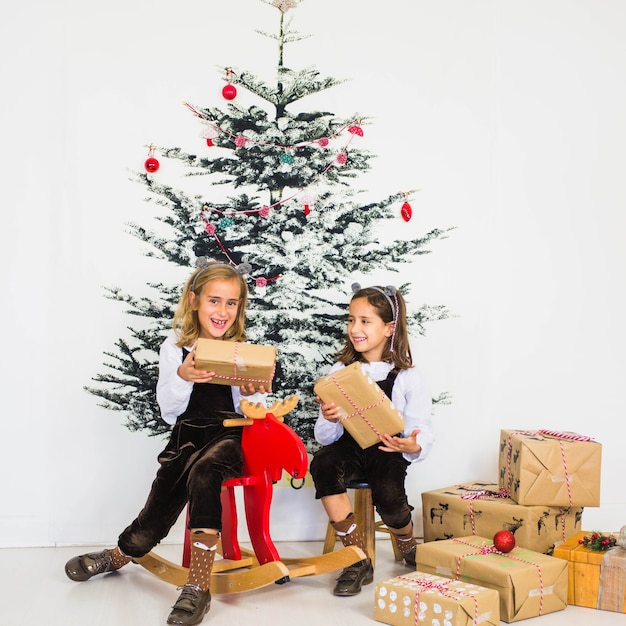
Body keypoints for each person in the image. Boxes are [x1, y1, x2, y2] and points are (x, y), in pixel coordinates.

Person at [65, 260, 267, 626]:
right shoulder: (175, 348)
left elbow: (253, 414)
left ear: (240, 307)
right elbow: (170, 411)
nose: (222, 311)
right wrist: (183, 375)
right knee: (159, 505)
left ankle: (198, 586)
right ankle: (122, 553)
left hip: (228, 436)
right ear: (194, 300)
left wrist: (253, 393)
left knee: (206, 474)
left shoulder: (242, 353)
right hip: (186, 436)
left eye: (231, 303)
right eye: (214, 301)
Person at [310, 283, 434, 597]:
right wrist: (329, 417)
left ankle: (406, 540)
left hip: (387, 450)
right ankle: (357, 557)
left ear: (389, 328)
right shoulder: (341, 371)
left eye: (365, 321)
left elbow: (421, 429)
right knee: (323, 463)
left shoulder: (407, 376)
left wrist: (413, 445)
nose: (355, 328)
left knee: (390, 498)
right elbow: (326, 437)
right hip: (349, 449)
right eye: (352, 320)